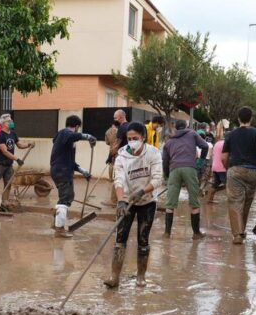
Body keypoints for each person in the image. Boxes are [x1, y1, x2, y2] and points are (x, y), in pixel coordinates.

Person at [104, 122, 163, 288]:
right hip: (127, 201)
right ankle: (114, 277)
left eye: (135, 138)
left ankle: (141, 276)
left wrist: (143, 191)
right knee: (120, 239)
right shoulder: (122, 155)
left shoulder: (153, 153)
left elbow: (158, 179)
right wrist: (121, 200)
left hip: (147, 201)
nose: (131, 142)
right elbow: (119, 179)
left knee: (143, 240)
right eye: (129, 139)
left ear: (143, 137)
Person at [222, 107, 256, 244]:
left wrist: (227, 168)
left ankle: (237, 235)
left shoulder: (231, 134)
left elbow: (224, 157)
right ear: (251, 118)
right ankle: (242, 230)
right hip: (253, 171)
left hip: (236, 170)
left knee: (235, 202)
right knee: (246, 202)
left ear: (238, 119)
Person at [49, 115, 95, 238]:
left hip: (62, 170)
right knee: (65, 198)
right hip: (62, 172)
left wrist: (83, 171)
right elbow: (72, 135)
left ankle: (56, 222)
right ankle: (59, 230)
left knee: (68, 196)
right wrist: (87, 136)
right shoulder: (65, 133)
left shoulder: (67, 142)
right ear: (77, 126)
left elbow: (71, 162)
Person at [161, 119, 208, 238]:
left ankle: (167, 233)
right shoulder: (192, 134)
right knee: (194, 203)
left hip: (174, 170)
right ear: (186, 126)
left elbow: (165, 161)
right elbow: (205, 146)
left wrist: (167, 176)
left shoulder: (169, 142)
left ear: (176, 128)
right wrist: (201, 161)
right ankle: (196, 233)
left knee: (170, 204)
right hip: (190, 169)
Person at [0, 113, 32, 209]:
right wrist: (17, 159)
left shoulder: (13, 134)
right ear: (3, 123)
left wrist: (28, 144)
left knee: (8, 184)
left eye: (11, 120)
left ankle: (4, 202)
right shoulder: (0, 136)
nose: (11, 122)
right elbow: (5, 151)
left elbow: (19, 145)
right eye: (9, 121)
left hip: (8, 165)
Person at [206, 136, 227, 204]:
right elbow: (226, 156)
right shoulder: (226, 143)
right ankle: (231, 201)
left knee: (215, 184)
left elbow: (212, 155)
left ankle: (210, 199)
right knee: (228, 185)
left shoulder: (216, 143)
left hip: (215, 167)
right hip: (222, 167)